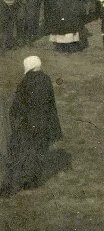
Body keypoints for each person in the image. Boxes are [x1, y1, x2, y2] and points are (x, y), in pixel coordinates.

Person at [2, 56, 62, 196]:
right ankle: (36, 179)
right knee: (40, 151)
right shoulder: (46, 79)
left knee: (27, 153)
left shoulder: (25, 82)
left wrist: (14, 119)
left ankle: (27, 181)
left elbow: (18, 105)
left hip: (29, 124)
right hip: (45, 124)